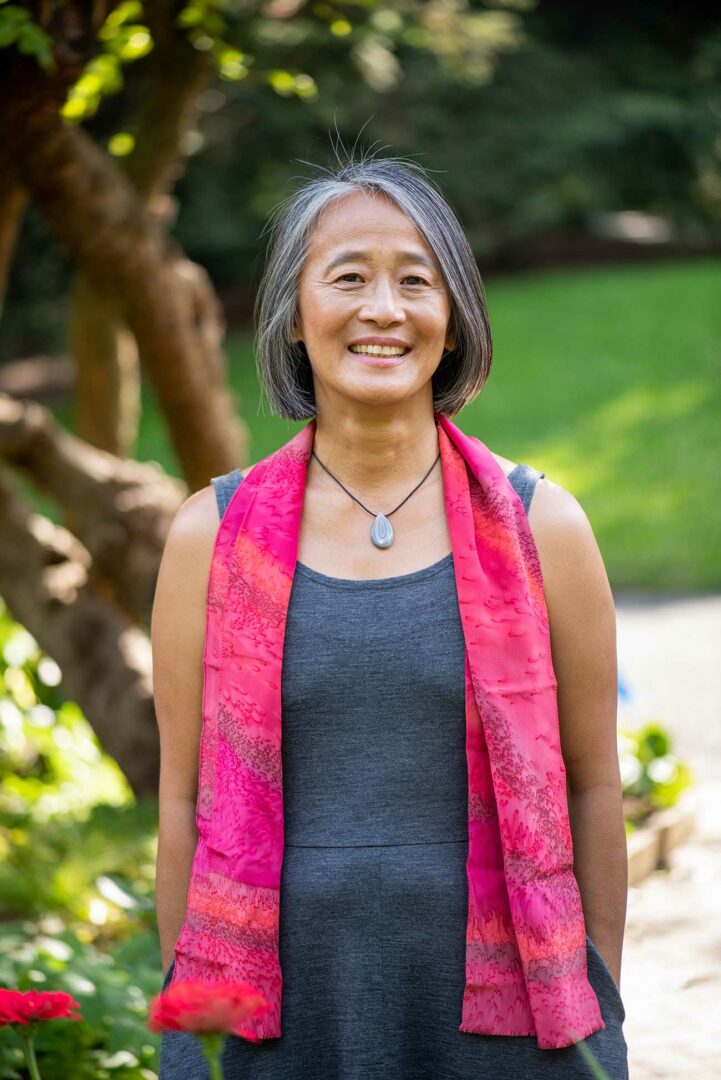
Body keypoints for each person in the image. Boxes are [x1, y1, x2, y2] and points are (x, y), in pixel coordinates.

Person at [151, 148, 629, 1078]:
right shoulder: (208, 536)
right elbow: (181, 796)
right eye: (348, 278)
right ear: (294, 315)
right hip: (278, 1022)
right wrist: (193, 1029)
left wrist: (595, 997)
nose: (383, 309)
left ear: (452, 322)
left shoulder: (545, 527)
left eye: (416, 279)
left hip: (514, 1024)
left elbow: (592, 783)